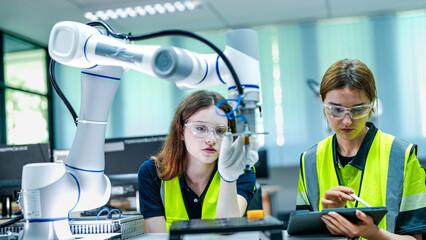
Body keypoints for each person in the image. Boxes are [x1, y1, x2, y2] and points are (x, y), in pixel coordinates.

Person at [296, 59, 426, 240]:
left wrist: (374, 233)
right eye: (336, 109)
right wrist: (324, 218)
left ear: (372, 103)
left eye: (357, 110)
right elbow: (302, 236)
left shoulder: (401, 156)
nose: (347, 121)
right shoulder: (309, 161)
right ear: (322, 102)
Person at [138, 90, 259, 233]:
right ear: (181, 131)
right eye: (201, 128)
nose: (211, 140)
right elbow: (158, 237)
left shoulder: (242, 171)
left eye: (220, 131)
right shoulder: (152, 173)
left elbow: (228, 230)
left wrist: (229, 178)